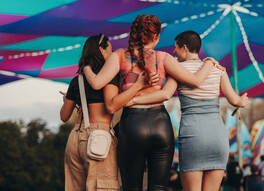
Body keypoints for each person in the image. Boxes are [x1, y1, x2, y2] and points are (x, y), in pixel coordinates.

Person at [83, 15, 218, 191]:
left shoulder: (119, 57)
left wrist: (85, 67)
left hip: (132, 125)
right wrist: (209, 62)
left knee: (132, 187)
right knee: (159, 188)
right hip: (160, 125)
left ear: (134, 34)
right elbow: (195, 81)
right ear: (156, 36)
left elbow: (97, 83)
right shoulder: (164, 58)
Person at [127, 30, 249, 191]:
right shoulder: (217, 69)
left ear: (184, 48)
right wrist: (243, 100)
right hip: (218, 138)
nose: (174, 52)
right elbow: (235, 101)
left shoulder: (178, 70)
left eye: (176, 48)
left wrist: (133, 99)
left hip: (194, 137)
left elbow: (164, 94)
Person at [60, 34, 148, 191]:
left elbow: (64, 116)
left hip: (74, 138)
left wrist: (67, 101)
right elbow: (112, 105)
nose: (113, 55)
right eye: (111, 50)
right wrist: (137, 86)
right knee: (103, 186)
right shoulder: (109, 75)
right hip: (98, 136)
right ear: (101, 50)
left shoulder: (77, 80)